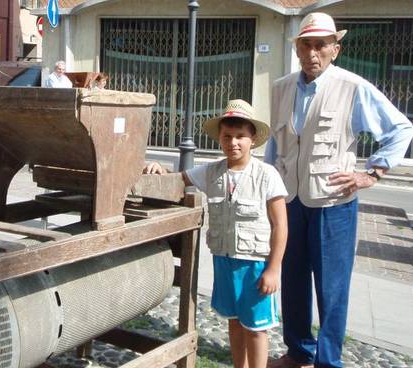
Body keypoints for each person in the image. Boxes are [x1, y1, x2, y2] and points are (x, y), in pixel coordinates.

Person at [265, 13, 413, 368]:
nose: (312, 52)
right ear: (297, 48)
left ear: (335, 49)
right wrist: (269, 189)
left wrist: (372, 173)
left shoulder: (352, 87)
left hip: (334, 204)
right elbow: (275, 144)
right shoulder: (281, 87)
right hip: (290, 200)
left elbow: (400, 128)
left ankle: (328, 361)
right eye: (306, 44)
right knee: (293, 279)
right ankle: (299, 350)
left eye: (321, 45)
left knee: (332, 289)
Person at [145, 100, 288, 368]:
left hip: (256, 265)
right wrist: (159, 169)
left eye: (240, 137)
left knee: (256, 328)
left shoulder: (267, 175)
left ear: (253, 139)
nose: (233, 142)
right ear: (220, 138)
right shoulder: (211, 171)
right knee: (234, 322)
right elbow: (180, 178)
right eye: (227, 136)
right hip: (224, 261)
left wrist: (274, 268)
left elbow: (281, 225)